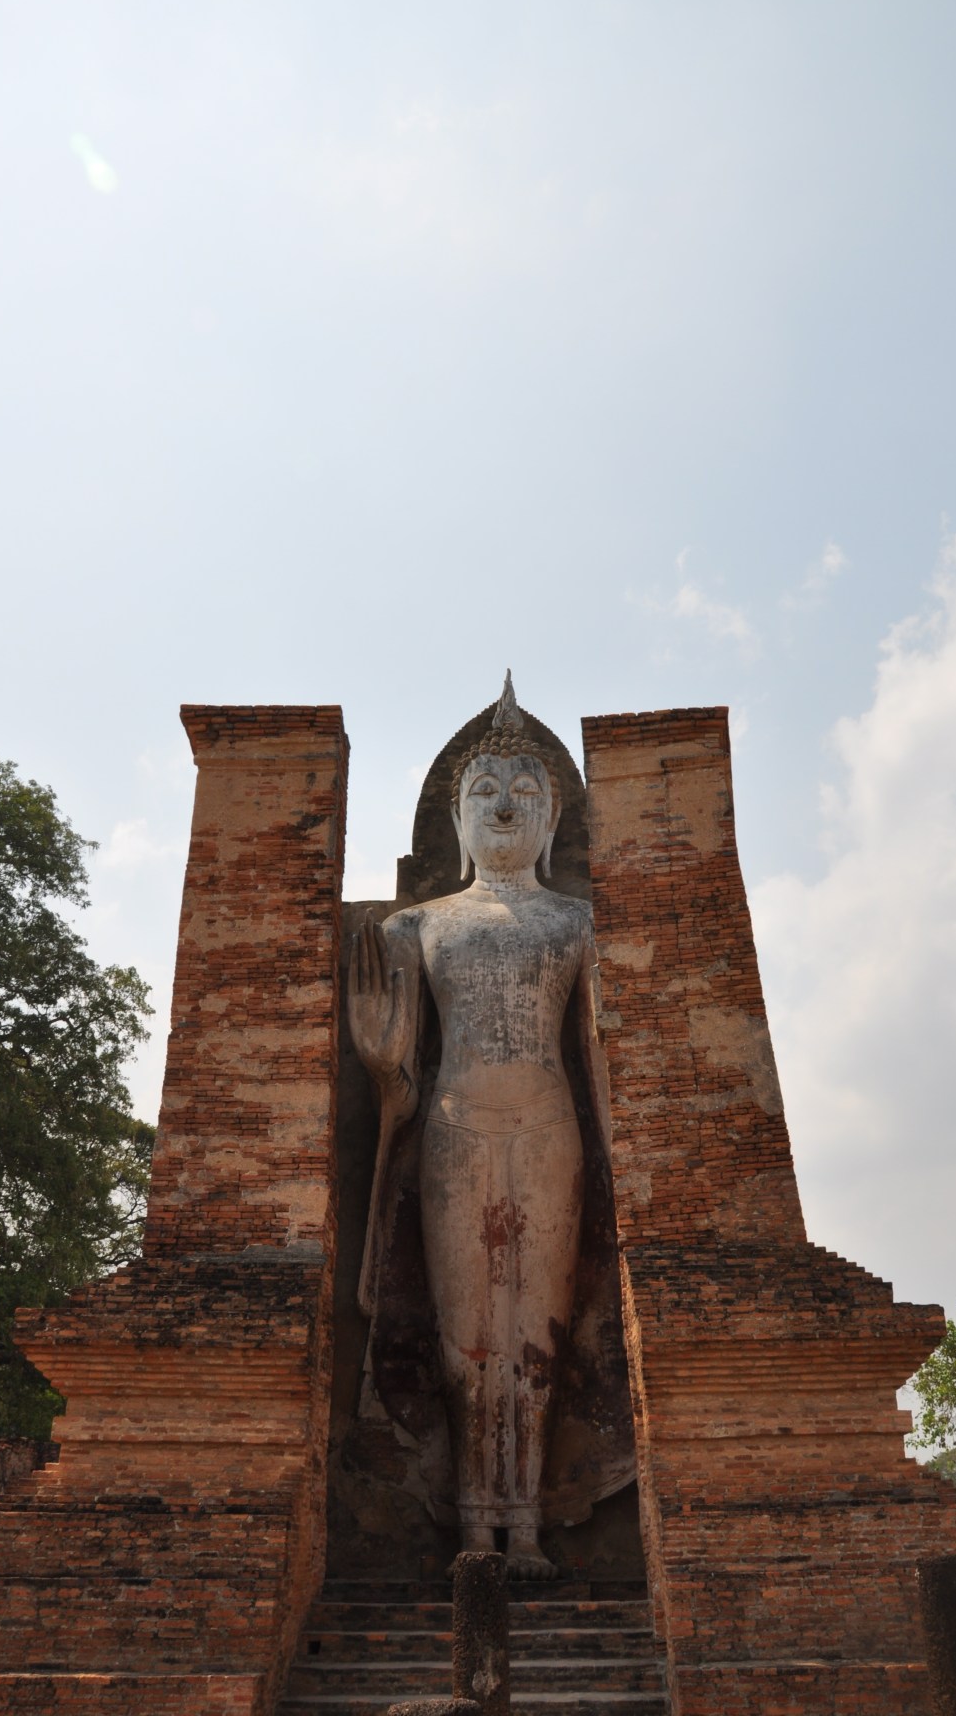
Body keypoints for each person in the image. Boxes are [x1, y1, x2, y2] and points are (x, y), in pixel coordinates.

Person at [348, 675, 608, 1578]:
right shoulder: (414, 927)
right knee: (467, 1338)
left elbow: (602, 1061)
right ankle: (472, 1524)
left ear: (553, 818)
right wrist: (384, 1067)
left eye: (525, 793)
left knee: (539, 1331)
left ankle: (525, 1525)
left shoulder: (579, 924)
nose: (503, 806)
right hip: (453, 1130)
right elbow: (400, 1079)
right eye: (485, 792)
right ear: (455, 817)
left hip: (549, 1129)